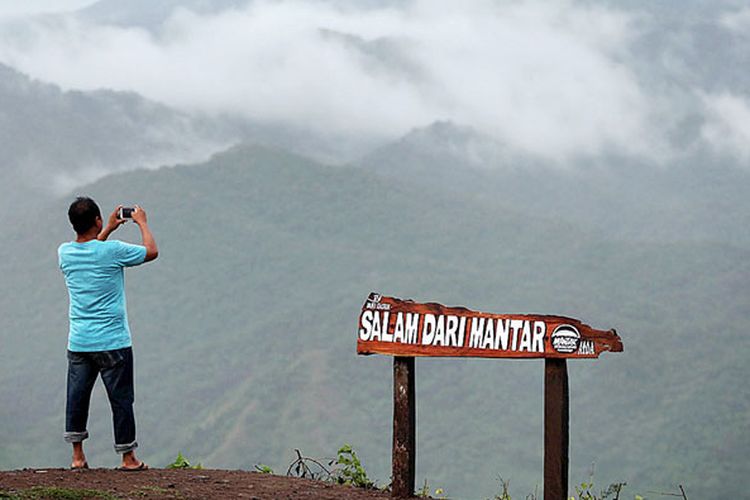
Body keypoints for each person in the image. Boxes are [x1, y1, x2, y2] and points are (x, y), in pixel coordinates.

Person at [58, 197, 158, 471]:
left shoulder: (64, 253)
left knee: (77, 397)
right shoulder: (112, 251)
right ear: (97, 220)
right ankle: (128, 458)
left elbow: (91, 250)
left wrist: (108, 229)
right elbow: (151, 251)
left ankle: (77, 457)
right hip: (113, 341)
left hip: (79, 341)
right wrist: (142, 223)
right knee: (121, 399)